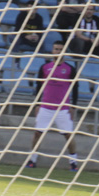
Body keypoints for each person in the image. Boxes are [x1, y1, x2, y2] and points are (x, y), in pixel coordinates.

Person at [26, 41, 80, 171]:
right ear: (52, 50)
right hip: (46, 107)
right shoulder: (44, 67)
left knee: (68, 136)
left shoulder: (70, 69)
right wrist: (37, 104)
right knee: (37, 134)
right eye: (56, 49)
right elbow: (38, 87)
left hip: (63, 108)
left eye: (61, 49)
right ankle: (32, 160)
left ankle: (73, 162)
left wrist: (73, 106)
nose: (58, 51)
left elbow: (75, 88)